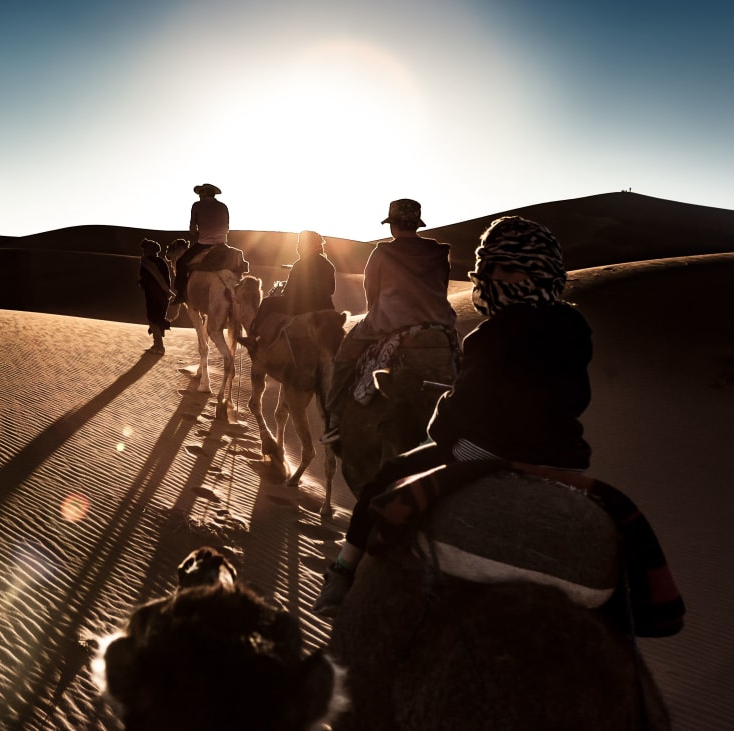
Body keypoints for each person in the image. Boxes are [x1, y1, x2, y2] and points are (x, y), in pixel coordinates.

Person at [312, 215, 594, 617]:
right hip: (564, 458)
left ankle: (342, 569)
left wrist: (442, 418)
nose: (492, 278)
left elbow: (454, 419)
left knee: (383, 474)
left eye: (502, 268)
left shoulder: (491, 334)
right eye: (491, 269)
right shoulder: (576, 327)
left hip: (482, 451)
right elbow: (572, 397)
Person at [318, 199, 456, 445]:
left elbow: (371, 291)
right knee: (461, 361)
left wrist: (377, 314)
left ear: (393, 226)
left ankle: (335, 419)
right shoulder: (439, 252)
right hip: (440, 325)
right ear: (416, 224)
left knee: (344, 358)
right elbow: (442, 287)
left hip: (391, 323)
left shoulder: (382, 252)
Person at [245, 230, 336, 352]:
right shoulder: (329, 265)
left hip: (301, 307)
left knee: (267, 302)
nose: (298, 246)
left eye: (300, 243)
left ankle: (252, 338)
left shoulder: (300, 264)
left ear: (307, 244)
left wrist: (284, 291)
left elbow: (289, 290)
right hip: (325, 307)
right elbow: (331, 290)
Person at [173, 183, 230, 304]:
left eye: (200, 193)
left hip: (205, 242)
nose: (199, 195)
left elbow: (192, 229)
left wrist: (199, 231)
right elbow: (227, 228)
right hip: (222, 242)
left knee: (181, 263)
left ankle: (180, 294)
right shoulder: (223, 206)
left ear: (204, 193)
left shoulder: (197, 205)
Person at [138, 238, 174, 353]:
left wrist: (167, 291)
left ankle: (159, 346)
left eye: (144, 249)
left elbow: (158, 277)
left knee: (153, 319)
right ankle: (156, 345)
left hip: (155, 295)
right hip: (162, 296)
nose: (143, 252)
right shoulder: (161, 261)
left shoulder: (147, 261)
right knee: (157, 318)